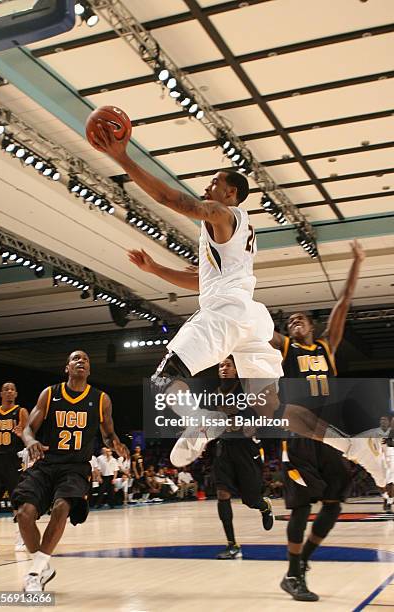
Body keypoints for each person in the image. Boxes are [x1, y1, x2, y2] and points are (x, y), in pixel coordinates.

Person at [90, 120, 283, 456]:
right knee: (271, 407)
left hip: (226, 314)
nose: (206, 191)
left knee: (163, 380)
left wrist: (122, 157)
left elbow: (170, 198)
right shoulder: (238, 231)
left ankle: (200, 421)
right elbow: (200, 281)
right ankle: (353, 442)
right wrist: (154, 268)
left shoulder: (222, 213)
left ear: (230, 193)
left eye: (213, 184)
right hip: (248, 314)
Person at [271, 240, 368, 602]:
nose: (293, 322)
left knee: (333, 504)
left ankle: (297, 567)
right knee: (301, 505)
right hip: (296, 436)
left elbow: (343, 303)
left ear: (311, 325)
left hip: (328, 436)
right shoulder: (285, 348)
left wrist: (356, 263)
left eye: (299, 319)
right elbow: (257, 328)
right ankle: (296, 576)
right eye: (289, 321)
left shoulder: (326, 347)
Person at [11, 350, 129, 592]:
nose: (81, 362)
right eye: (76, 359)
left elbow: (107, 434)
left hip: (75, 467)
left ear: (89, 370)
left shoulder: (100, 399)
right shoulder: (50, 394)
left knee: (62, 507)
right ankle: (44, 567)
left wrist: (115, 444)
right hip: (46, 463)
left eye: (86, 359)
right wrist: (30, 442)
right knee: (24, 513)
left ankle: (34, 572)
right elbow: (28, 429)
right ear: (67, 368)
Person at [208, 357, 273, 560]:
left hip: (246, 449)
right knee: (222, 493)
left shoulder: (247, 391)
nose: (224, 368)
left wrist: (251, 425)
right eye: (221, 366)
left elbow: (264, 415)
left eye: (228, 365)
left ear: (237, 370)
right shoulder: (214, 396)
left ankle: (264, 506)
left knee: (251, 500)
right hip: (224, 448)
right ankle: (232, 545)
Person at [0, 382, 28, 553]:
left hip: (13, 460)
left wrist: (22, 434)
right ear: (1, 393)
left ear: (16, 394)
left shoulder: (21, 412)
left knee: (17, 502)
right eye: (6, 390)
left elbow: (27, 434)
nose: (9, 392)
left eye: (12, 390)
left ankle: (21, 540)